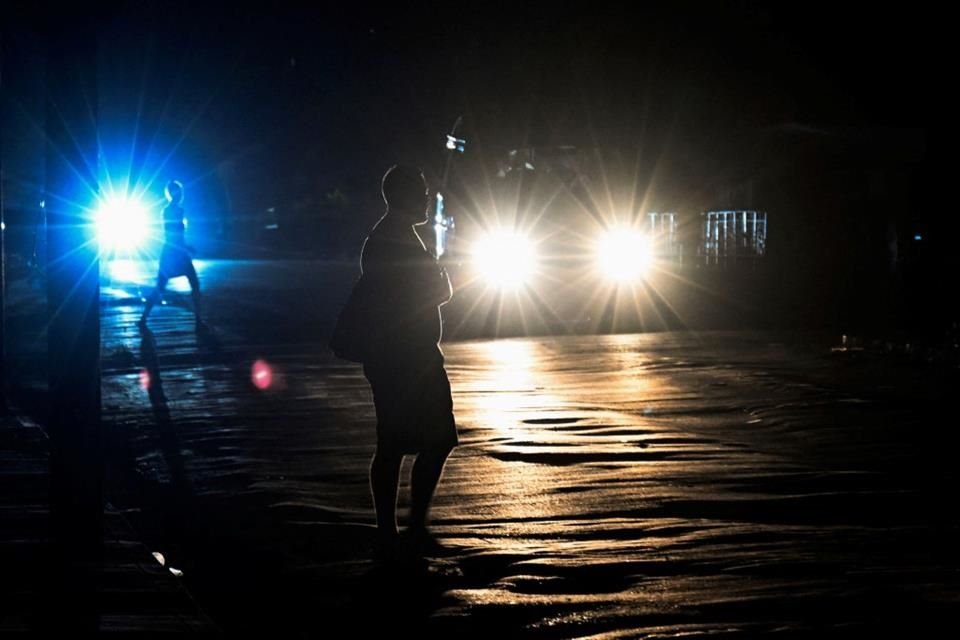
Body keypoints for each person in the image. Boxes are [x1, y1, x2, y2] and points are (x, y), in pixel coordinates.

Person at [359, 164, 457, 557]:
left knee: (404, 441)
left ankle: (401, 526)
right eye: (420, 191)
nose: (426, 197)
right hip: (406, 356)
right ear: (402, 196)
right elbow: (436, 290)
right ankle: (404, 526)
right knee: (415, 440)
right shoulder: (394, 241)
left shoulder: (391, 237)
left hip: (400, 355)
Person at [139, 180, 203, 331]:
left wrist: (186, 247)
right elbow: (174, 234)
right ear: (174, 193)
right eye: (178, 191)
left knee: (161, 286)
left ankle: (144, 318)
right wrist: (186, 247)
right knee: (192, 284)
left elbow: (173, 234)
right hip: (176, 252)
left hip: (172, 251)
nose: (180, 194)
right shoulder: (174, 211)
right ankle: (198, 321)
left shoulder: (170, 210)